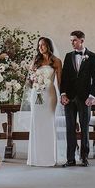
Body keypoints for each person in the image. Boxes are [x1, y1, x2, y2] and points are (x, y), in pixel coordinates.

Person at [60, 30, 95, 167]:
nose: (72, 43)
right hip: (69, 98)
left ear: (82, 40)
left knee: (84, 128)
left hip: (85, 98)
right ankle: (70, 159)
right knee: (70, 128)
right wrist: (63, 94)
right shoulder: (68, 56)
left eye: (74, 40)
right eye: (71, 40)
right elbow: (64, 77)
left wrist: (92, 96)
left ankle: (84, 157)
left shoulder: (93, 57)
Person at [25, 37, 62, 167]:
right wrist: (33, 81)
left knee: (48, 123)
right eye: (39, 45)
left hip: (50, 95)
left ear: (49, 46)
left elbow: (60, 82)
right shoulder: (36, 61)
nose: (40, 47)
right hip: (36, 95)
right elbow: (29, 81)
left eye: (43, 45)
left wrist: (63, 95)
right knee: (36, 123)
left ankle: (49, 158)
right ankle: (36, 158)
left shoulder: (56, 61)